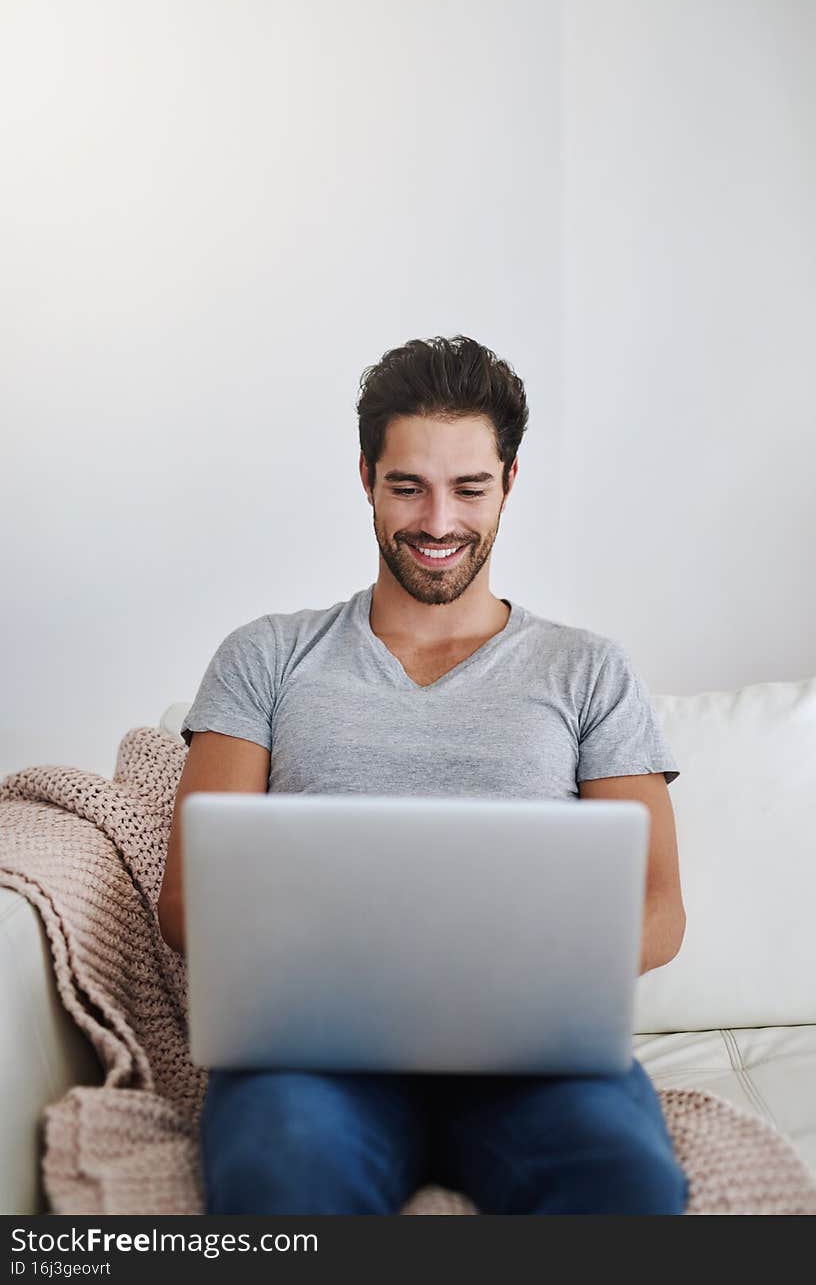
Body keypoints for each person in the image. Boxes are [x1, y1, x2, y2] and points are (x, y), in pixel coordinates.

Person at [157, 334, 689, 1215]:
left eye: (470, 487)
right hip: (314, 1057)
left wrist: (521, 977)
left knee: (627, 1186)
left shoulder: (589, 670)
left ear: (509, 482)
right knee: (280, 1180)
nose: (438, 521)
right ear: (365, 476)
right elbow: (187, 903)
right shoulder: (267, 656)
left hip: (534, 1056)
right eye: (408, 485)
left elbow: (659, 908)